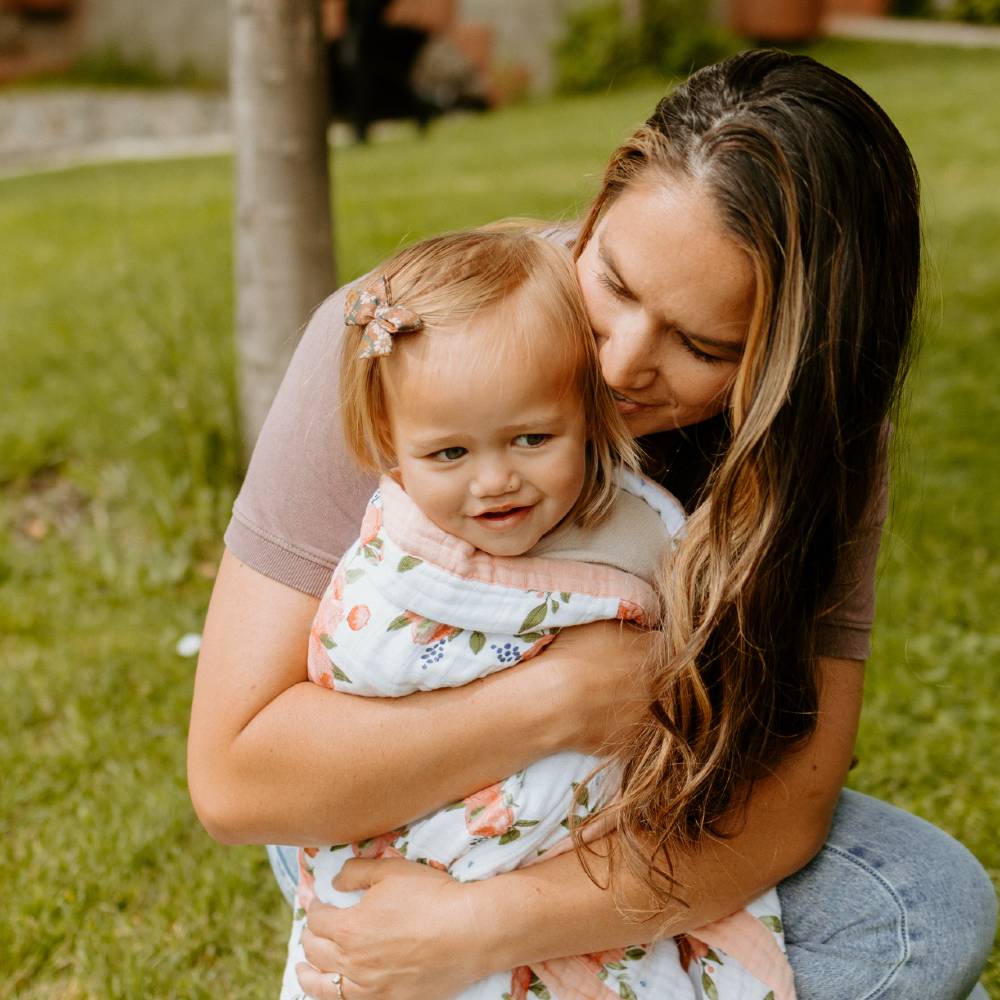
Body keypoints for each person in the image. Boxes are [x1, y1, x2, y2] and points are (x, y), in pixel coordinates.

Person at [187, 49, 997, 1000]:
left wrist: (483, 928)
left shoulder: (823, 444)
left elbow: (790, 801)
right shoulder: (409, 348)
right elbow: (238, 781)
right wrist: (562, 699)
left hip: (623, 814)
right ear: (603, 200)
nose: (621, 364)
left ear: (793, 372)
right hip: (391, 812)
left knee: (926, 909)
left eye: (702, 346)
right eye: (611, 283)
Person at [277, 227, 793, 1000]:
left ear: (587, 414)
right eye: (450, 454)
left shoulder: (640, 525)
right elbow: (363, 666)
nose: (495, 482)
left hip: (592, 861)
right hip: (417, 839)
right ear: (390, 444)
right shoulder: (400, 567)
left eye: (532, 438)